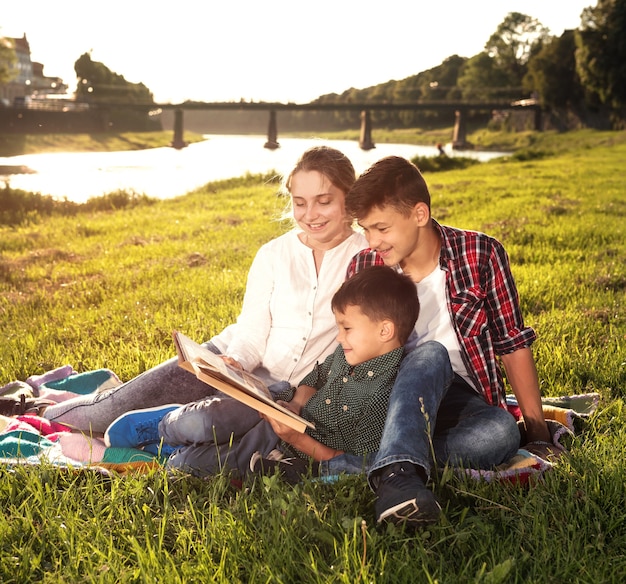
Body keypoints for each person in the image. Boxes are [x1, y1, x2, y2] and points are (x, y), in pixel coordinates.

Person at [42, 146, 368, 435]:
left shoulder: (367, 258)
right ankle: (34, 407)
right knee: (102, 414)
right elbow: (253, 330)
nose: (310, 215)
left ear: (348, 200)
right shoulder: (273, 254)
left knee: (197, 427)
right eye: (300, 203)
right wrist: (235, 361)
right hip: (228, 364)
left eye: (323, 202)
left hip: (285, 395)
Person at [343, 155, 558, 526]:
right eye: (365, 229)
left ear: (419, 214)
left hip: (465, 400)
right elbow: (354, 352)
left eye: (381, 228)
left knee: (502, 432)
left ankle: (385, 464)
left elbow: (512, 343)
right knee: (430, 355)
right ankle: (399, 477)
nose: (371, 241)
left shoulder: (481, 254)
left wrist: (536, 433)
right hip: (394, 398)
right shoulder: (364, 267)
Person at [105, 266, 442, 486]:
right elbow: (316, 375)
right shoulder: (349, 351)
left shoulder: (385, 396)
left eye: (346, 328)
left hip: (285, 447)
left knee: (189, 465)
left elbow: (350, 463)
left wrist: (297, 440)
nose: (339, 338)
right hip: (277, 409)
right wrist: (295, 403)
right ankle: (167, 424)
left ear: (385, 330)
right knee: (208, 418)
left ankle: (168, 450)